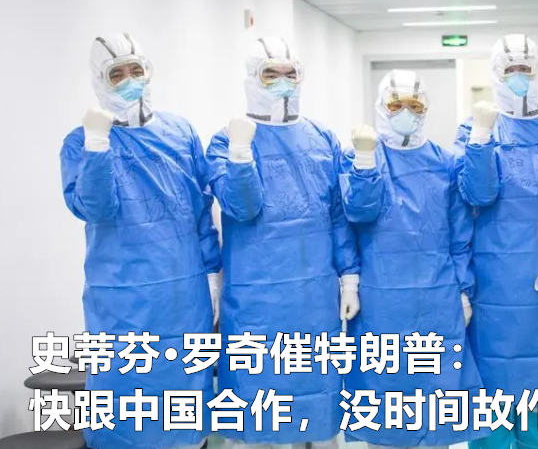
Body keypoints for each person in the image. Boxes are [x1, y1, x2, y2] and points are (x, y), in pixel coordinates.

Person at [60, 33, 221, 449]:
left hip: (184, 297)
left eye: (137, 70)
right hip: (122, 300)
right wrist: (98, 145)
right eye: (118, 74)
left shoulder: (180, 132)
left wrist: (212, 273)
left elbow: (200, 208)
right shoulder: (81, 142)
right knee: (125, 396)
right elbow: (95, 209)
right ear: (100, 80)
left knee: (185, 398)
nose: (131, 80)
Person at [204, 37, 359, 449]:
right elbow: (241, 207)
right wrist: (240, 151)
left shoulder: (321, 138)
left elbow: (337, 215)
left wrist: (350, 278)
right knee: (256, 407)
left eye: (290, 73)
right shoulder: (226, 141)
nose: (282, 82)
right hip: (256, 302)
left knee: (317, 409)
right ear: (251, 78)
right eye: (270, 74)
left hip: (314, 300)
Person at [455, 34, 538, 449]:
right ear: (496, 74)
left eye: (526, 69)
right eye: (510, 69)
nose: (519, 77)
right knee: (488, 415)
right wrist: (481, 138)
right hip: (492, 289)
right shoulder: (474, 131)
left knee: (536, 413)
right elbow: (474, 196)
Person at [340, 69, 487, 449]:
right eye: (396, 105)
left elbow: (459, 236)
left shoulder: (444, 163)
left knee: (435, 405)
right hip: (381, 302)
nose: (406, 112)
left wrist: (463, 291)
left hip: (437, 300)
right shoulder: (361, 158)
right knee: (384, 401)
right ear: (381, 106)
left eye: (414, 105)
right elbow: (355, 216)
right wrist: (365, 161)